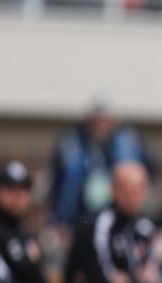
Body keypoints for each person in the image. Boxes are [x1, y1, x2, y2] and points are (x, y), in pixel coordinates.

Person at [48, 95, 156, 233]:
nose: (101, 126)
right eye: (97, 121)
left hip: (116, 214)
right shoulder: (72, 143)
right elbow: (62, 183)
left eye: (105, 121)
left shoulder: (126, 142)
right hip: (81, 213)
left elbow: (146, 173)